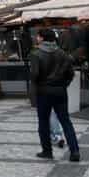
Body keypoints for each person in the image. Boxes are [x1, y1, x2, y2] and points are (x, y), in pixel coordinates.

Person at [31, 28, 80, 161]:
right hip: (60, 92)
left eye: (38, 36)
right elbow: (71, 74)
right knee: (66, 122)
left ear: (42, 38)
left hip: (43, 92)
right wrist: (64, 85)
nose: (36, 38)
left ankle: (47, 151)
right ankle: (75, 151)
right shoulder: (63, 53)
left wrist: (36, 89)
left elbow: (34, 75)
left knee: (43, 122)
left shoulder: (36, 54)